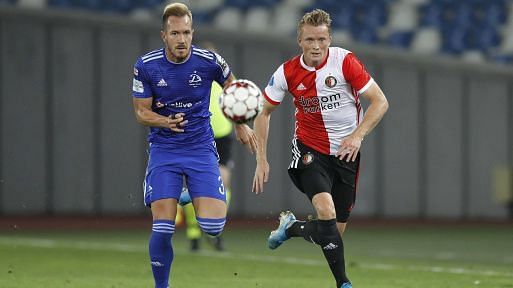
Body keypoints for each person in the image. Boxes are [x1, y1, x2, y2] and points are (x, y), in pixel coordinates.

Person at [251, 9, 389, 288]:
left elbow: (380, 101)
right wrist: (261, 158)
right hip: (309, 151)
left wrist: (358, 135)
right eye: (310, 40)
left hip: (346, 154)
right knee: (325, 211)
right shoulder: (287, 72)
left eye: (322, 40)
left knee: (333, 233)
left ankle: (291, 228)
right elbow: (263, 113)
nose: (316, 46)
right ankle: (344, 283)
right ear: (299, 41)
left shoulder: (345, 61)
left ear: (329, 39)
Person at [131, 3, 257, 288]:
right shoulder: (146, 65)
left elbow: (234, 90)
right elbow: (141, 112)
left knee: (214, 227)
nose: (182, 39)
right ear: (164, 35)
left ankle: (186, 195)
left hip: (201, 148)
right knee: (162, 227)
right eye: (175, 33)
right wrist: (165, 122)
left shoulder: (210, 61)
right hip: (165, 150)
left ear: (192, 32)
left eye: (186, 32)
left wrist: (240, 124)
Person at [179, 49, 235, 250]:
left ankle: (215, 230)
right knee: (194, 186)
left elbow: (237, 100)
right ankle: (194, 232)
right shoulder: (190, 79)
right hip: (198, 134)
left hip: (222, 135)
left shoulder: (226, 80)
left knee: (223, 183)